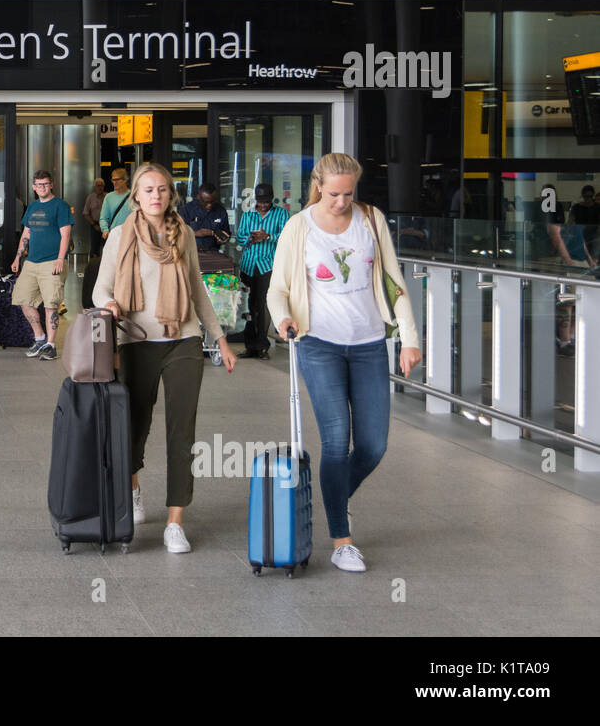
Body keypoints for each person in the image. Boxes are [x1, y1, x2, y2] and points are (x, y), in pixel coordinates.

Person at [267, 152, 422, 573]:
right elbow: (277, 288)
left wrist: (409, 339)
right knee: (337, 440)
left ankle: (332, 498)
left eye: (348, 193)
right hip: (319, 343)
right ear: (319, 186)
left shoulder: (370, 219)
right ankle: (341, 540)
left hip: (370, 342)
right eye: (334, 193)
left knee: (373, 445)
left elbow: (394, 282)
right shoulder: (298, 228)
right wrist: (282, 317)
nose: (341, 201)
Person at [93, 162, 237, 552]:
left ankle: (175, 521)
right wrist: (109, 304)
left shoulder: (184, 235)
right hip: (136, 342)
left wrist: (220, 338)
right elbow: (100, 288)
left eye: (162, 189)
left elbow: (196, 289)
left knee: (182, 430)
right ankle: (134, 488)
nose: (156, 195)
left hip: (183, 340)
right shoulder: (121, 236)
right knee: (133, 428)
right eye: (148, 189)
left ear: (171, 195)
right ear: (136, 196)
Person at [10, 170, 73, 361]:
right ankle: (40, 338)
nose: (42, 187)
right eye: (38, 184)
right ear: (33, 187)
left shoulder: (60, 206)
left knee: (51, 305)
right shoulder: (32, 207)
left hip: (52, 262)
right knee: (23, 299)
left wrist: (60, 259)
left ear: (51, 185)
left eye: (45, 184)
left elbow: (66, 235)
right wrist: (17, 258)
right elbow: (26, 233)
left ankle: (51, 346)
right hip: (31, 262)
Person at [235, 183, 288, 360]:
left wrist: (268, 236)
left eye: (266, 201)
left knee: (264, 305)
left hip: (269, 265)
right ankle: (250, 347)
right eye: (260, 201)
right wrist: (249, 238)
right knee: (249, 307)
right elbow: (240, 237)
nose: (263, 205)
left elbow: (287, 237)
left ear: (271, 198)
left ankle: (262, 346)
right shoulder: (248, 214)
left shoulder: (281, 213)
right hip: (249, 265)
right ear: (255, 199)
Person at [181, 182, 232, 253]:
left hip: (213, 254)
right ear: (199, 197)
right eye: (206, 202)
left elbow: (227, 234)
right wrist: (196, 233)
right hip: (191, 254)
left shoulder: (221, 211)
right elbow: (178, 234)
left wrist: (224, 239)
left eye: (212, 201)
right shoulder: (187, 209)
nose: (209, 205)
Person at [568, 184, 600, 264]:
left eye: (590, 196)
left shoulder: (597, 207)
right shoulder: (576, 207)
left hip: (594, 236)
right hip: (581, 235)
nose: (588, 199)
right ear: (583, 196)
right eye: (586, 196)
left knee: (594, 256)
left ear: (592, 196)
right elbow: (570, 222)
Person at [99, 167, 133, 240]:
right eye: (113, 180)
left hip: (131, 235)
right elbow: (103, 218)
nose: (114, 182)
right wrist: (105, 230)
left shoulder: (134, 196)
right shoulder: (109, 197)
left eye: (117, 179)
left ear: (125, 180)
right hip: (114, 236)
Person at [82, 178, 107, 256]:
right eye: (98, 186)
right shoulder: (90, 197)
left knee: (107, 246)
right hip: (95, 224)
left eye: (102, 186)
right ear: (94, 187)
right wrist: (94, 225)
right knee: (94, 248)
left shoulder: (108, 196)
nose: (100, 188)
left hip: (106, 225)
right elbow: (85, 213)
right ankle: (94, 266)